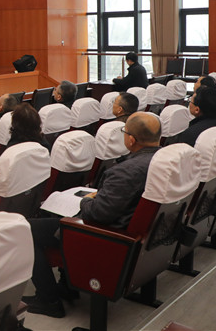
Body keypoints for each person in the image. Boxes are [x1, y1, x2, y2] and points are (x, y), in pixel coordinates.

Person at [23, 112, 161, 317]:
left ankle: (48, 300)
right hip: (133, 232)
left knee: (25, 229)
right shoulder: (162, 160)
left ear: (131, 140)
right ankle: (67, 287)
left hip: (102, 236)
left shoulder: (126, 172)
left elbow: (98, 214)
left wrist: (87, 200)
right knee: (49, 221)